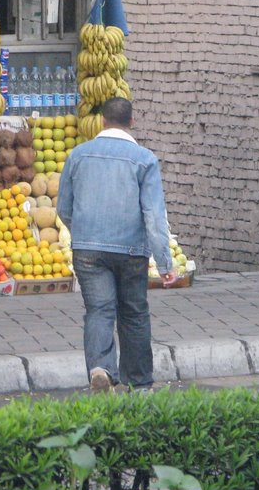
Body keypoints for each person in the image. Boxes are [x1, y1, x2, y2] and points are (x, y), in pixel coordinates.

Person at [57, 97, 178, 393]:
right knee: (134, 312)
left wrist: (83, 233)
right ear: (132, 123)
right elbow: (153, 216)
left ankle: (100, 367)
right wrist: (165, 263)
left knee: (99, 310)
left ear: (101, 121)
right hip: (131, 250)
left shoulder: (78, 155)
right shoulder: (145, 159)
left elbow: (64, 208)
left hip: (88, 250)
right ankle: (140, 384)